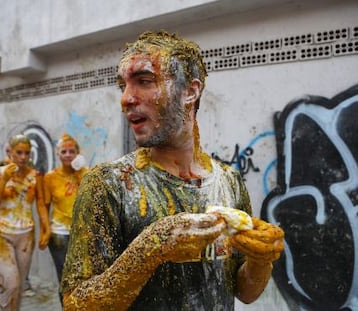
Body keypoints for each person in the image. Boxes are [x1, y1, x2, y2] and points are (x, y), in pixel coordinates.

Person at [61, 31, 284, 310]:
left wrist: (262, 259)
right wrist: (152, 247)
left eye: (144, 81)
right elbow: (75, 304)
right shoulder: (109, 184)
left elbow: (245, 293)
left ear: (190, 91)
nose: (126, 98)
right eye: (123, 86)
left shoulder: (229, 182)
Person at [0, 134, 50, 310]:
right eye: (19, 152)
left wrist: (46, 228)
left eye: (27, 153)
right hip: (0, 233)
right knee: (12, 283)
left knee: (20, 286)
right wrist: (5, 179)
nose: (23, 157)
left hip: (26, 234)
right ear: (11, 152)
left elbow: (41, 204)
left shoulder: (35, 175)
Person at [43, 134, 89, 305]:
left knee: (84, 276)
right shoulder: (50, 178)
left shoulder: (86, 173)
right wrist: (45, 229)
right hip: (59, 235)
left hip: (82, 233)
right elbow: (44, 206)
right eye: (64, 151)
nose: (68, 155)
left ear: (78, 153)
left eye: (72, 151)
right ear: (58, 155)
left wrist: (81, 173)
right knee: (65, 278)